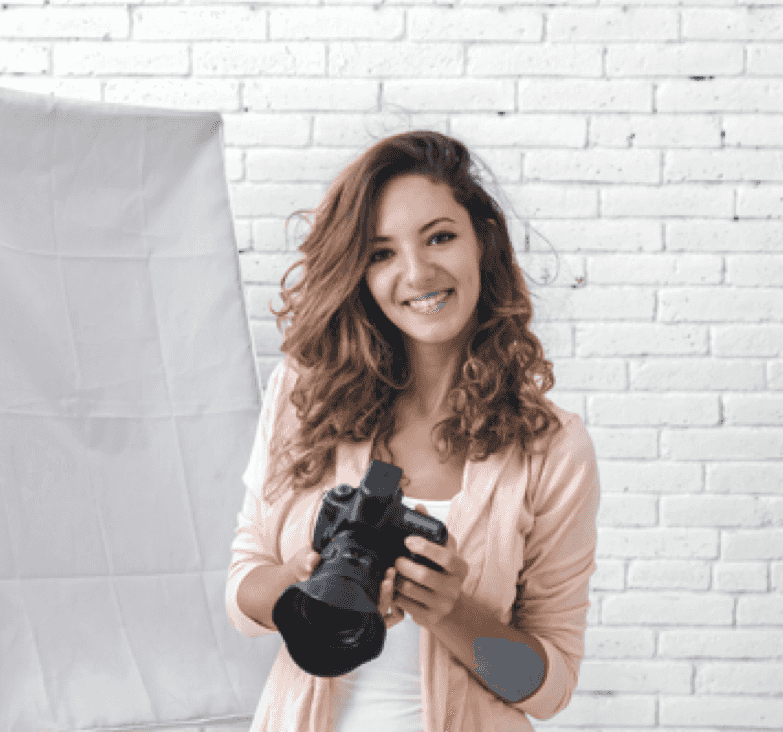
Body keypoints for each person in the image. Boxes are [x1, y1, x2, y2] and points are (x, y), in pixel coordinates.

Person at [225, 130, 600, 732]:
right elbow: (243, 584)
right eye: (381, 253)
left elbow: (547, 687)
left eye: (440, 237)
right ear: (359, 273)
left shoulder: (552, 447)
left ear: (483, 242)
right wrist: (305, 583)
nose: (417, 273)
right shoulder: (305, 393)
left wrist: (451, 612)